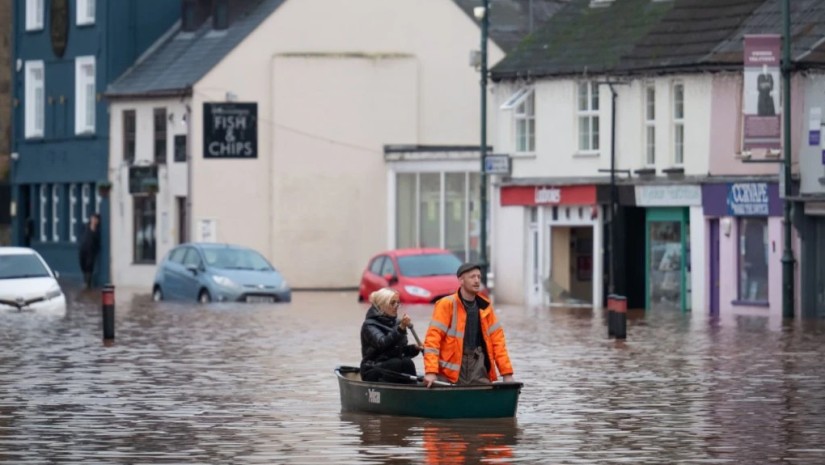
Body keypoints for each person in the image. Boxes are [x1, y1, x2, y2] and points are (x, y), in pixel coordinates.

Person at [423, 263, 514, 387]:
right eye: (472, 277)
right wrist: (431, 371)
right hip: (449, 373)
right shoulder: (446, 305)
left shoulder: (486, 308)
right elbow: (432, 340)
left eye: (479, 277)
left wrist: (507, 373)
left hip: (478, 367)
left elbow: (498, 343)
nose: (477, 281)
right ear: (461, 280)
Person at [360, 288, 422, 384]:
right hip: (372, 368)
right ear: (381, 305)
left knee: (407, 362)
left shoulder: (397, 323)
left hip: (391, 366)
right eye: (392, 303)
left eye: (397, 303)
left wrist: (414, 348)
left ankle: (413, 392)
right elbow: (383, 344)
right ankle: (390, 394)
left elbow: (399, 351)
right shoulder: (369, 325)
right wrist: (400, 328)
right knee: (395, 363)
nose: (396, 306)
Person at [78, 213, 101, 289]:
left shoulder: (97, 230)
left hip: (91, 251)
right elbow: (81, 235)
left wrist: (96, 250)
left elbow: (97, 241)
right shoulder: (86, 226)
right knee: (82, 264)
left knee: (89, 265)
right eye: (93, 218)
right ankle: (86, 281)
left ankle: (87, 283)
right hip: (83, 248)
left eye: (96, 219)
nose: (94, 220)